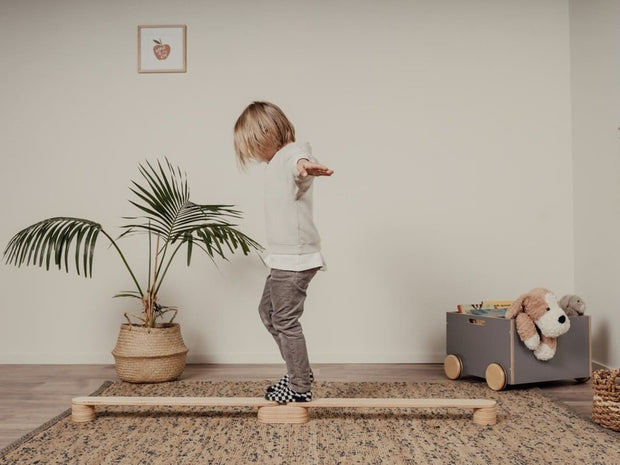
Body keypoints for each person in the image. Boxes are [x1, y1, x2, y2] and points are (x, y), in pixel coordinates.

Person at [233, 101, 333, 402]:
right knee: (268, 313)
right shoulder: (278, 160)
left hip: (296, 260)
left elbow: (299, 160)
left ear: (265, 134)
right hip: (284, 259)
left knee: (285, 320)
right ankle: (298, 371)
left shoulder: (290, 155)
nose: (252, 155)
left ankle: (299, 386)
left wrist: (305, 166)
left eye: (252, 147)